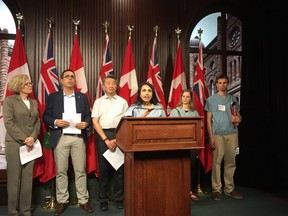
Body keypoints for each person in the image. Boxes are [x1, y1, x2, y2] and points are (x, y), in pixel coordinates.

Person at [43, 69, 93, 215]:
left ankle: (83, 200)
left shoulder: (82, 97)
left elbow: (89, 116)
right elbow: (46, 116)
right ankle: (62, 201)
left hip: (78, 138)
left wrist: (86, 123)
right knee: (61, 171)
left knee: (80, 170)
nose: (70, 79)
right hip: (61, 137)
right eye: (67, 77)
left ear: (75, 80)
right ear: (61, 80)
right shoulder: (53, 97)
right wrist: (56, 121)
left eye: (72, 76)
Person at [3, 74, 40, 216]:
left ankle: (25, 210)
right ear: (18, 86)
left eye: (30, 83)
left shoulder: (34, 102)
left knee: (27, 178)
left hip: (31, 145)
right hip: (14, 144)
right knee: (14, 178)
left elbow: (37, 122)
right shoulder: (9, 101)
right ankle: (13, 211)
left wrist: (33, 137)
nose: (30, 85)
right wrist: (25, 138)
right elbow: (9, 122)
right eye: (27, 84)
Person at [91, 75, 128, 211]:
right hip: (103, 136)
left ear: (116, 86)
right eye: (108, 83)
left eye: (113, 83)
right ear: (104, 86)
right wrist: (106, 139)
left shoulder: (123, 102)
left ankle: (119, 199)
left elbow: (126, 122)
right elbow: (95, 121)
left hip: (120, 136)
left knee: (120, 170)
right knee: (104, 170)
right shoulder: (98, 102)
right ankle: (103, 200)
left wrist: (117, 139)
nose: (111, 86)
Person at [204, 74, 243, 201]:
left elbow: (239, 116)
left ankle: (229, 188)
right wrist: (211, 136)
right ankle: (216, 189)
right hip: (217, 134)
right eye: (220, 82)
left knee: (231, 162)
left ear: (227, 83)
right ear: (216, 84)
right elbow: (208, 119)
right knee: (216, 162)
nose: (222, 85)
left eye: (224, 82)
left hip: (231, 133)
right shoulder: (211, 100)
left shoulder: (233, 98)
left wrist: (239, 119)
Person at [169, 89, 200, 202]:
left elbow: (198, 130)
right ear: (181, 98)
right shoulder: (174, 111)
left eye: (188, 96)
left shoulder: (195, 113)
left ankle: (189, 191)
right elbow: (171, 129)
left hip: (191, 145)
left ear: (190, 98)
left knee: (191, 168)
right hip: (178, 145)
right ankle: (178, 190)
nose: (185, 98)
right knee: (178, 168)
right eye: (184, 96)